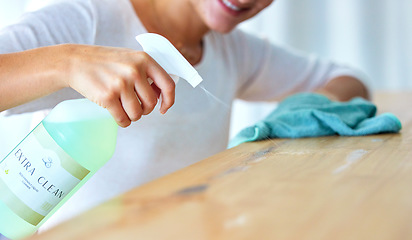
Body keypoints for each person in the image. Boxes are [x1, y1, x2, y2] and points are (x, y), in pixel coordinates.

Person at [0, 0, 369, 230]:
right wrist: (67, 62)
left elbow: (348, 80)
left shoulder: (235, 52)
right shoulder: (89, 20)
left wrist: (299, 114)